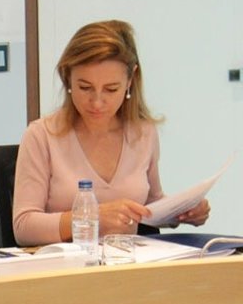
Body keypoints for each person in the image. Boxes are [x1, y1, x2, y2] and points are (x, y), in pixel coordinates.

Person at [12, 19, 210, 245]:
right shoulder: (41, 136)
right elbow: (24, 227)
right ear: (67, 77)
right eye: (85, 87)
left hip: (130, 259)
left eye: (111, 89)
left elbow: (150, 205)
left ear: (130, 80)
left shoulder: (143, 133)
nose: (97, 102)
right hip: (67, 263)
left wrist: (182, 212)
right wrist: (92, 217)